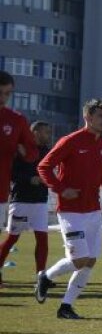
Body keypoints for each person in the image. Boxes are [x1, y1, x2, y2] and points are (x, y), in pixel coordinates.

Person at [35, 99, 102, 319]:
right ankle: (46, 277)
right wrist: (60, 189)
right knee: (79, 259)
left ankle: (66, 307)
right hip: (70, 212)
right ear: (88, 117)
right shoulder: (70, 141)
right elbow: (44, 166)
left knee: (90, 261)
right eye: (101, 116)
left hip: (93, 211)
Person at [0, 121, 54, 287]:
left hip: (40, 201)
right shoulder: (21, 149)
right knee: (12, 239)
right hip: (21, 200)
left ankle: (41, 277)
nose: (48, 135)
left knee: (43, 239)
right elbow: (12, 173)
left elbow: (50, 172)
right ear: (35, 132)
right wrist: (29, 179)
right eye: (45, 132)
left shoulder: (48, 151)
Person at [0, 71, 38, 268]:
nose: (3, 98)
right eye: (0, 93)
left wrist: (25, 151)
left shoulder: (16, 120)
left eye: (7, 94)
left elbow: (32, 152)